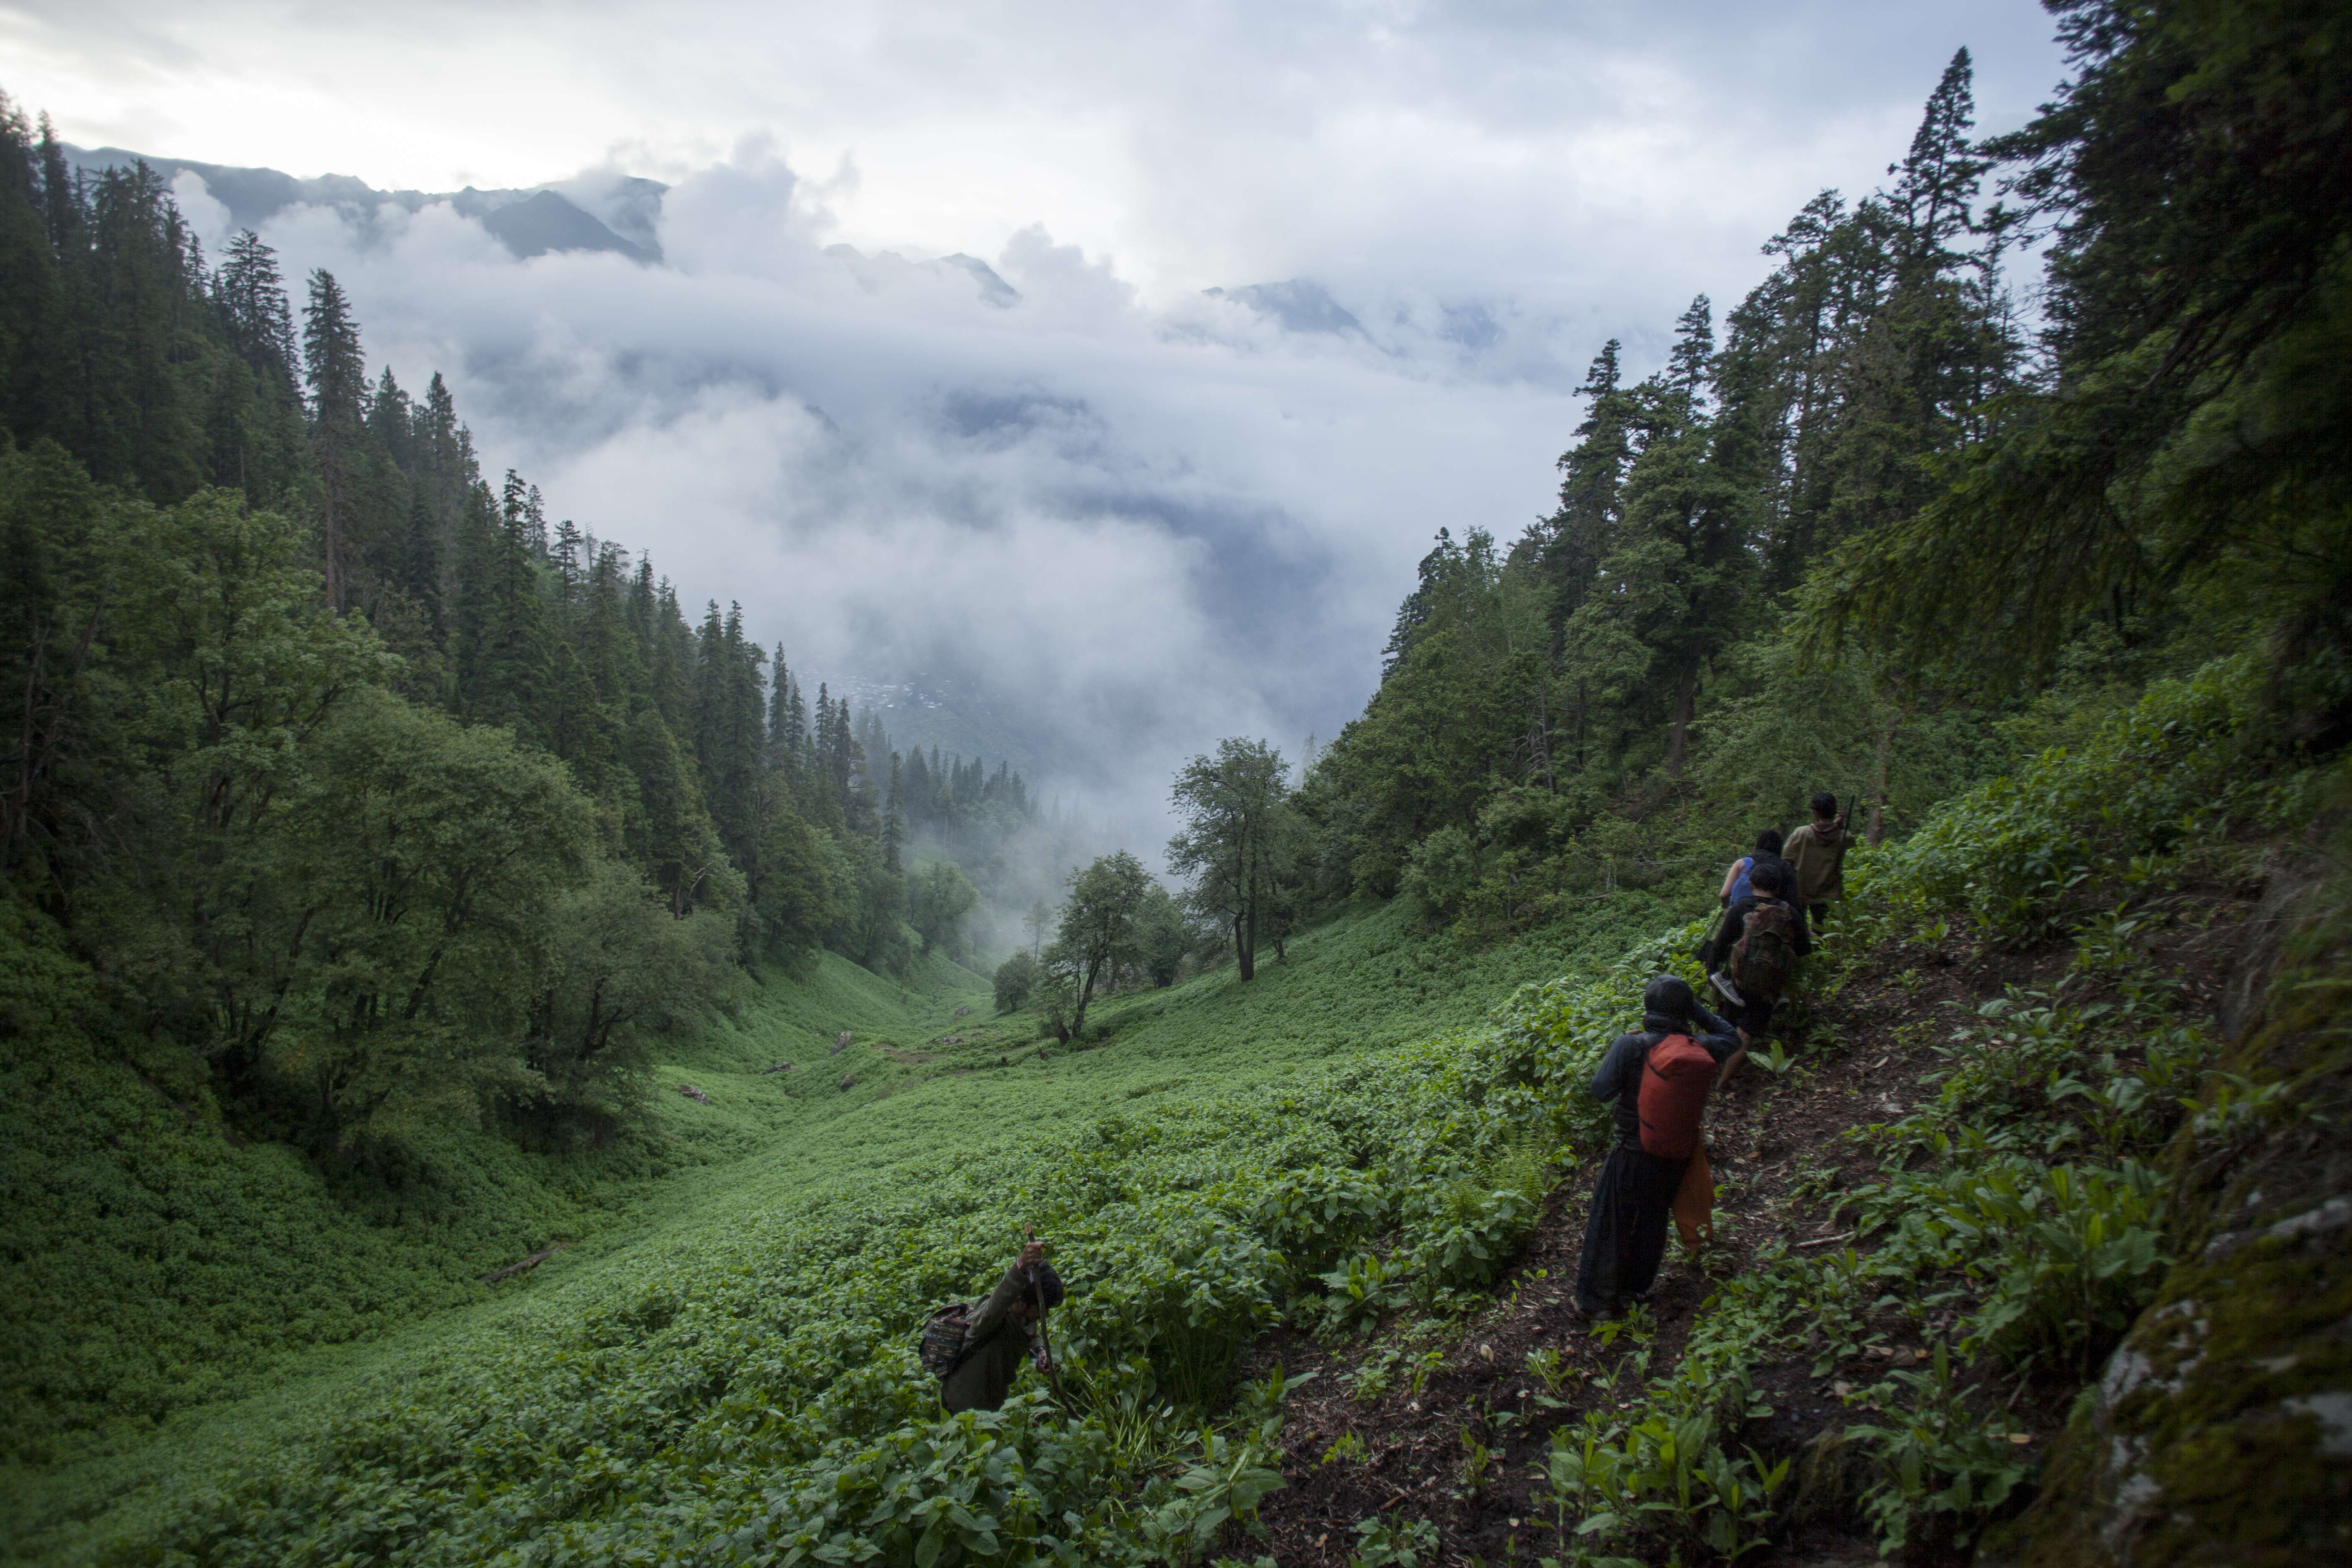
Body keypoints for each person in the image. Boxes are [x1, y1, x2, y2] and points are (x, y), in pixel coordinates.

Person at [1572, 976, 1742, 1320]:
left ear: (1649, 1009)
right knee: (1652, 1221)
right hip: (1674, 1154)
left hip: (1630, 1151)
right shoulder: (1699, 1046)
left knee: (1610, 1223)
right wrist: (1695, 1010)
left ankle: (1596, 1304)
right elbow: (1732, 1038)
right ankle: (1635, 1292)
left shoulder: (1631, 1046)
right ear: (1685, 1011)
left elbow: (1601, 1090)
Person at [939, 1237, 1063, 1413]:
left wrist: (1039, 1353)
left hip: (993, 1398)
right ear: (1022, 1302)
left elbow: (1030, 1332)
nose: (1046, 1313)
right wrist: (1020, 1265)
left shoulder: (1024, 1316)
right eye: (1044, 1307)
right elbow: (999, 1300)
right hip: (964, 1404)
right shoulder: (991, 1318)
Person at [1707, 859, 1811, 1052]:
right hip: (1770, 986)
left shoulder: (1740, 909)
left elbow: (1720, 945)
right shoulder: (1790, 913)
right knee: (1749, 1031)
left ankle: (1717, 1063)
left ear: (1751, 885)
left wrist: (1711, 972)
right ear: (1779, 887)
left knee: (1727, 1026)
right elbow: (1805, 949)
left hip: (1736, 981)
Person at [1781, 793, 1849, 934]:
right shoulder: (1844, 836)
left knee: (1799, 930)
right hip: (1828, 892)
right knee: (1822, 931)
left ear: (1816, 812)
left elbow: (1786, 859)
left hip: (1801, 890)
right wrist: (1839, 826)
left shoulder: (1802, 833)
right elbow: (1846, 841)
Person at [1718, 828, 1790, 910]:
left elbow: (1724, 895)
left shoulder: (1742, 863)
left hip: (1740, 912)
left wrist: (1727, 907)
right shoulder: (1783, 867)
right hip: (1769, 917)